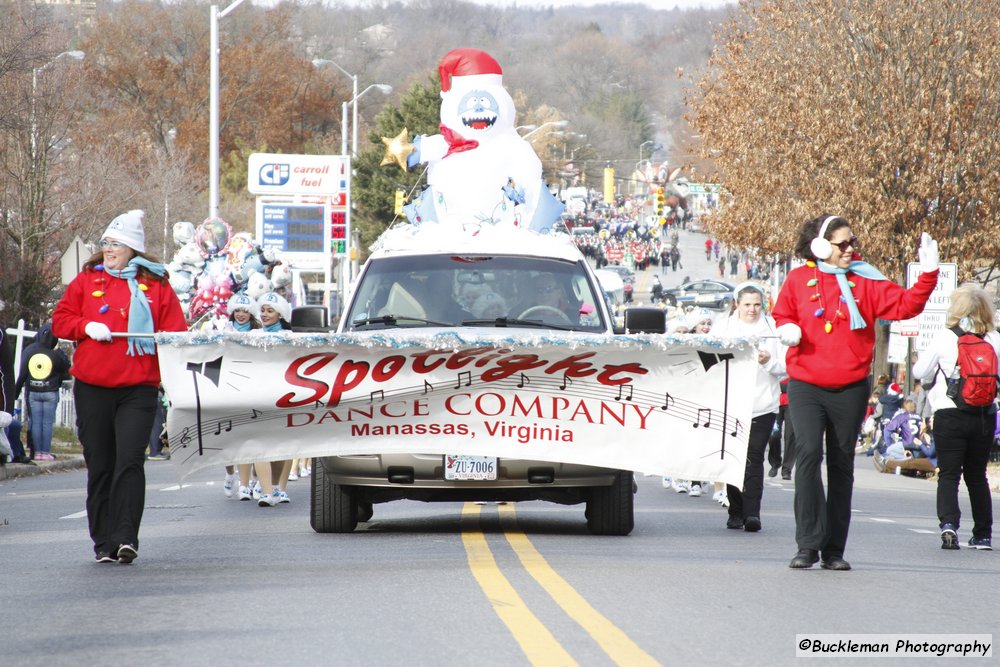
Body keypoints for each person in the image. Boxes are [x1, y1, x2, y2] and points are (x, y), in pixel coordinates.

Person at [772, 215, 938, 571]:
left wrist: (928, 274)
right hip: (806, 384)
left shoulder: (866, 279)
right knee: (808, 455)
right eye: (842, 244)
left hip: (849, 387)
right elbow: (782, 311)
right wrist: (786, 327)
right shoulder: (799, 278)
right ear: (820, 246)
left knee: (841, 464)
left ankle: (834, 550)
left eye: (852, 242)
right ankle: (807, 544)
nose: (851, 249)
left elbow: (907, 306)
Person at [52, 209, 186, 564]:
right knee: (101, 463)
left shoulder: (157, 285)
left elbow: (175, 333)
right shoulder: (86, 281)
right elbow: (61, 321)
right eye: (106, 243)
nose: (109, 249)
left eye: (116, 244)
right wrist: (86, 326)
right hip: (93, 387)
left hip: (138, 388)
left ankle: (126, 537)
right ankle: (103, 540)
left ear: (133, 249)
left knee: (129, 461)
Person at [912, 284, 997, 551]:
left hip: (950, 413)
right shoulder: (994, 340)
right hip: (984, 415)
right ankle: (982, 534)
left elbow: (918, 371)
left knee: (949, 474)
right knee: (977, 476)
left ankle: (949, 524)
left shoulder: (944, 337)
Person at [714, 283, 786, 532]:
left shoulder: (773, 330)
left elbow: (786, 366)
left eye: (757, 304)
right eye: (747, 304)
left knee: (755, 458)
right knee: (734, 458)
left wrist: (769, 362)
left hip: (763, 404)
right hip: (730, 403)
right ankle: (736, 510)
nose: (752, 309)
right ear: (737, 304)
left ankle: (753, 514)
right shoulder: (723, 329)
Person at [13, 323, 71, 462]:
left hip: (33, 391)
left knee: (36, 422)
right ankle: (45, 452)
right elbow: (65, 370)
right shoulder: (54, 354)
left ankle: (37, 452)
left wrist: (14, 393)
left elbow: (23, 373)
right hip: (50, 392)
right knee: (47, 423)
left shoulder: (31, 351)